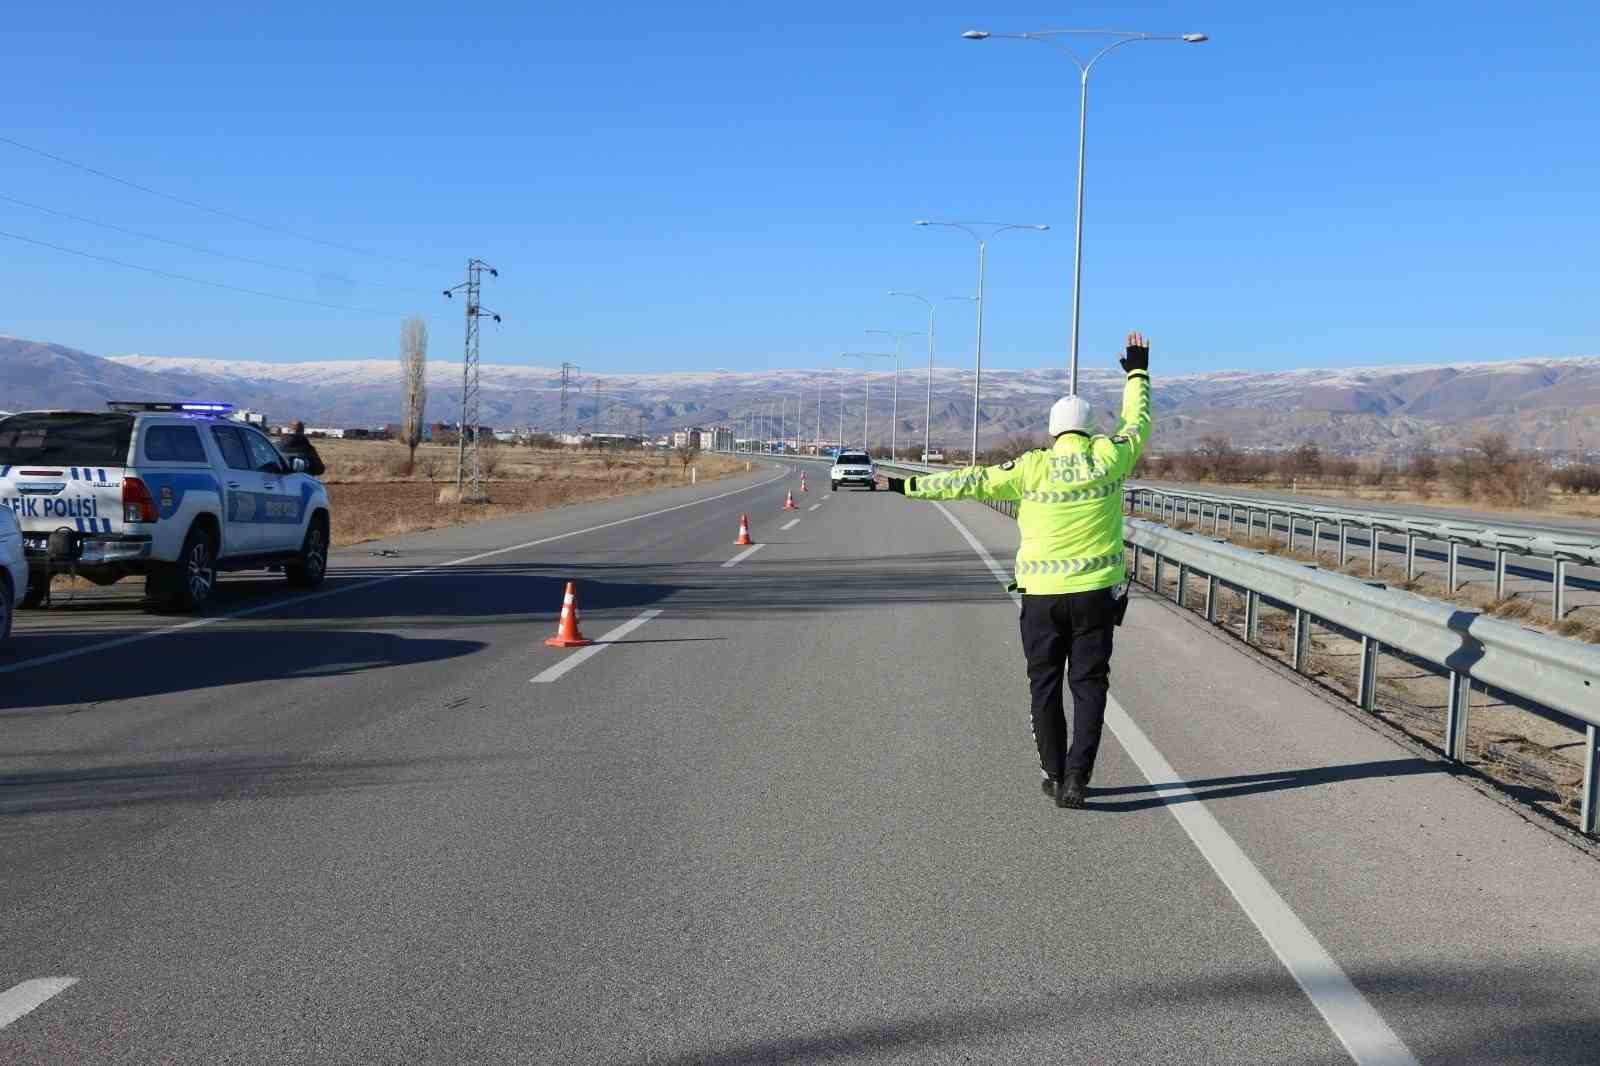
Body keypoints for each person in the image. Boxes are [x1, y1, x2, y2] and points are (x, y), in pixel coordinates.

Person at [875, 331, 1153, 809]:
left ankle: (1054, 773)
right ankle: (1078, 778)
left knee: (1044, 685)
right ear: (1090, 430)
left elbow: (970, 481)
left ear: (1053, 431)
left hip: (1042, 599)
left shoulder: (1030, 467)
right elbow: (1138, 421)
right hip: (1095, 598)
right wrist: (1137, 372)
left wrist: (907, 486)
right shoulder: (1111, 457)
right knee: (1088, 687)